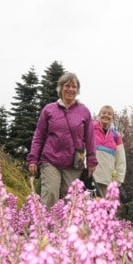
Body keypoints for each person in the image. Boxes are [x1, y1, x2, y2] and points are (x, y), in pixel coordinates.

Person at [27, 72, 97, 209]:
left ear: (77, 90)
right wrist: (33, 159)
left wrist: (91, 160)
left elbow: (90, 138)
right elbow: (39, 136)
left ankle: (65, 229)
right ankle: (46, 228)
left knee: (70, 200)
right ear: (60, 88)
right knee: (51, 193)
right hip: (50, 160)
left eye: (74, 86)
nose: (70, 89)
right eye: (67, 86)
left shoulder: (84, 111)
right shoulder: (49, 110)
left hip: (74, 163)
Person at [92, 105, 126, 198]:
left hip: (106, 181)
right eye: (103, 113)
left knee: (104, 210)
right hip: (90, 178)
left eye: (109, 114)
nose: (106, 115)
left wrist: (118, 181)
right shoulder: (89, 130)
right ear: (99, 115)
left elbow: (121, 160)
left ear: (113, 118)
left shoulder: (116, 137)